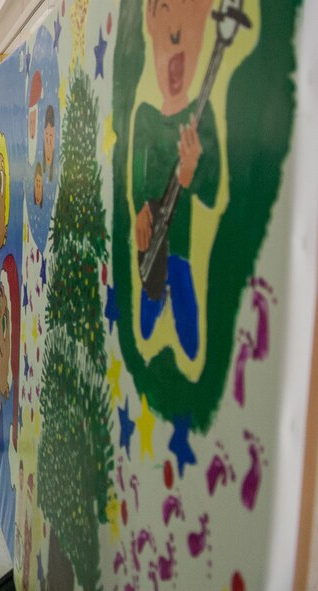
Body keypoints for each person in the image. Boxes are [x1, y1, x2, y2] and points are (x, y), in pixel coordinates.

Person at [133, 0, 218, 361]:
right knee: (145, 333)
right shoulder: (146, 118)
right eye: (168, 40)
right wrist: (140, 212)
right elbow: (138, 187)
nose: (175, 50)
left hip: (179, 254)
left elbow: (211, 192)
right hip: (150, 256)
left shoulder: (201, 115)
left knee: (191, 343)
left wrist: (190, 174)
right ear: (152, 33)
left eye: (186, 40)